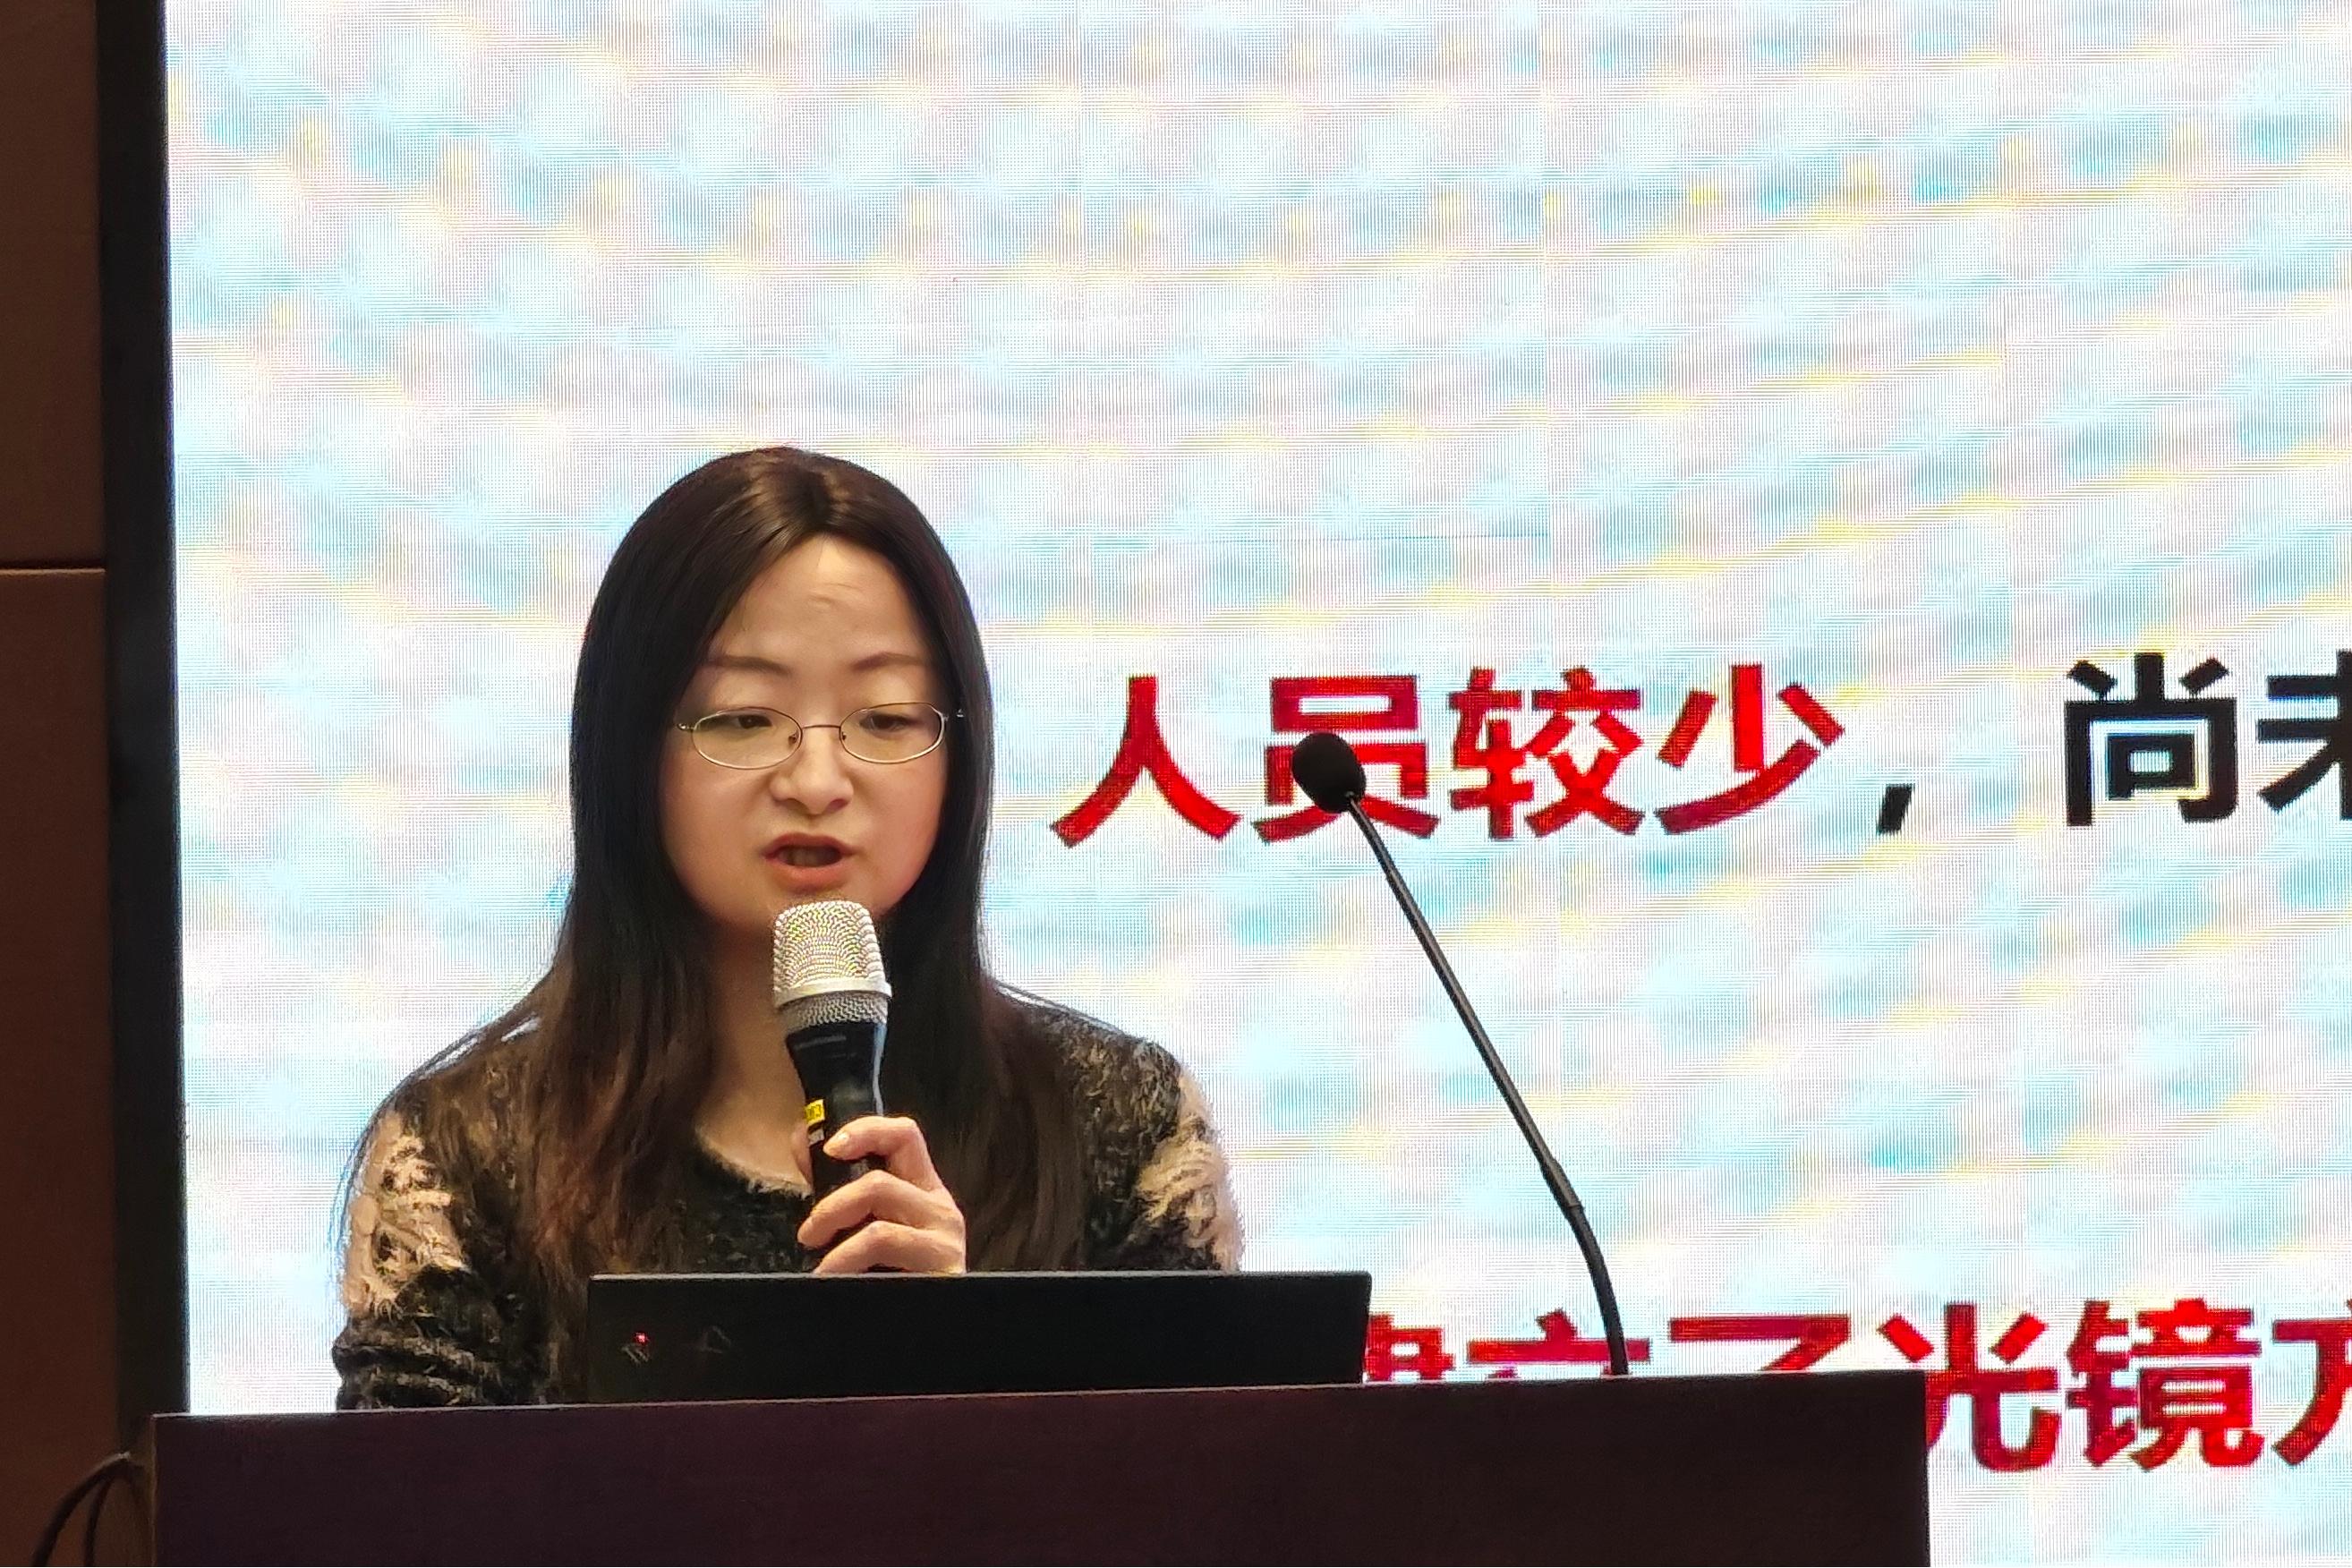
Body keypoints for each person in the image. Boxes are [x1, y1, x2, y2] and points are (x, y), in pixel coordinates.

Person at [333, 447, 1241, 1407]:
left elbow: (1211, 1489)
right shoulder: (467, 1156)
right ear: (630, 753)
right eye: (742, 720)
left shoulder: (1116, 1126)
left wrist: (966, 1353)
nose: (816, 781)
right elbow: (405, 1499)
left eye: (886, 720)